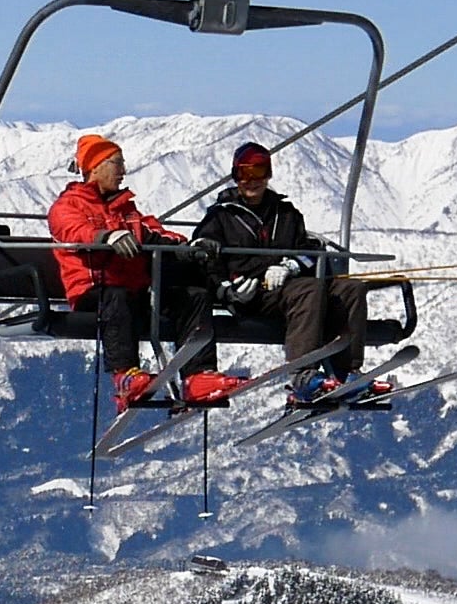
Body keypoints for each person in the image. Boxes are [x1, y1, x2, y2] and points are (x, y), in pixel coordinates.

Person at [47, 133, 246, 412]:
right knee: (116, 297)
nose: (123, 171)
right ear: (96, 167)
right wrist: (105, 237)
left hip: (135, 290)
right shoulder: (69, 206)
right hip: (93, 290)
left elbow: (153, 233)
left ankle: (198, 376)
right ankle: (125, 375)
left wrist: (188, 246)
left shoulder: (125, 209)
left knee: (192, 296)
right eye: (117, 163)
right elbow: (72, 231)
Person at [191, 140, 390, 407]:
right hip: (252, 294)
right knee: (311, 289)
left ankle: (348, 371)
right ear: (235, 177)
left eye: (258, 172)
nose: (251, 181)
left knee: (350, 288)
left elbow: (310, 249)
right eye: (244, 173)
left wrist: (291, 265)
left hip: (289, 288)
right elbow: (204, 256)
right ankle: (303, 375)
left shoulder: (285, 213)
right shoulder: (221, 218)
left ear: (269, 175)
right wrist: (226, 289)